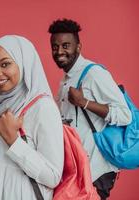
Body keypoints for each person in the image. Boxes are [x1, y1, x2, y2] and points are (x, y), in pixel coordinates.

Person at [48, 18, 132, 199]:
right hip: (77, 172)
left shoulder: (94, 74)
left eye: (66, 45)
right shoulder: (65, 80)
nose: (59, 51)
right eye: (55, 47)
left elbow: (125, 115)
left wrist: (84, 103)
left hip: (96, 171)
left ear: (78, 47)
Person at [0, 35, 64, 200]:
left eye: (5, 64)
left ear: (24, 63)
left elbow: (52, 176)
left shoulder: (43, 107)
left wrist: (14, 141)